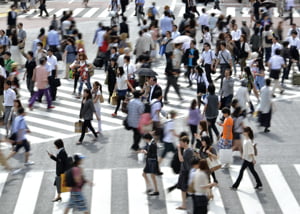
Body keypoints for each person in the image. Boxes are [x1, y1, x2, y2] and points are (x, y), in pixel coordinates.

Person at [176, 136, 194, 210]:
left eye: (181, 143)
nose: (180, 144)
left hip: (186, 172)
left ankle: (184, 205)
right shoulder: (186, 150)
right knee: (184, 189)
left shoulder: (188, 151)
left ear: (186, 143)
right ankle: (185, 204)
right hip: (184, 171)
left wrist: (179, 150)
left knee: (184, 189)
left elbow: (181, 159)